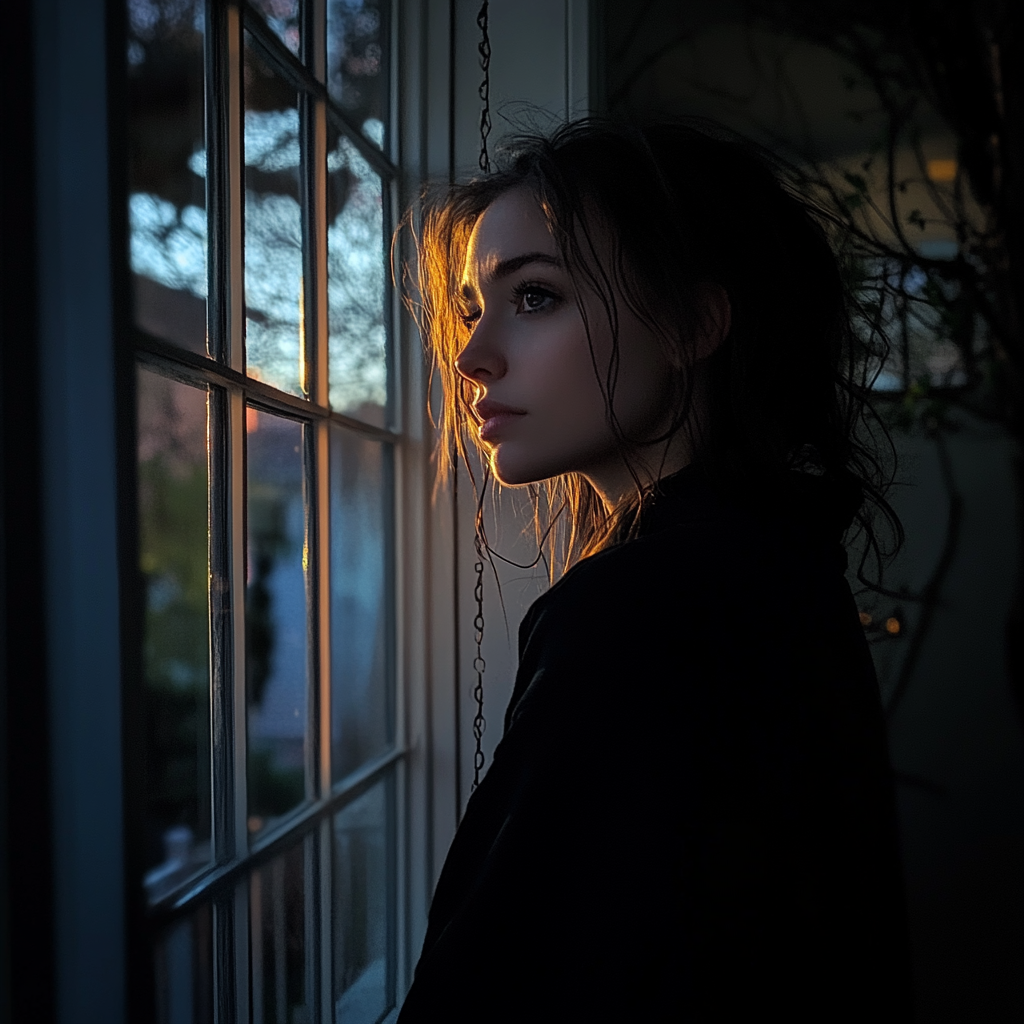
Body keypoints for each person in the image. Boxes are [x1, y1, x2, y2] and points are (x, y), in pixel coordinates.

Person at [397, 119, 913, 1022]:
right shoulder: (773, 565)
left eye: (536, 298)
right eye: (476, 309)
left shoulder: (641, 610)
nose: (471, 358)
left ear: (691, 324)